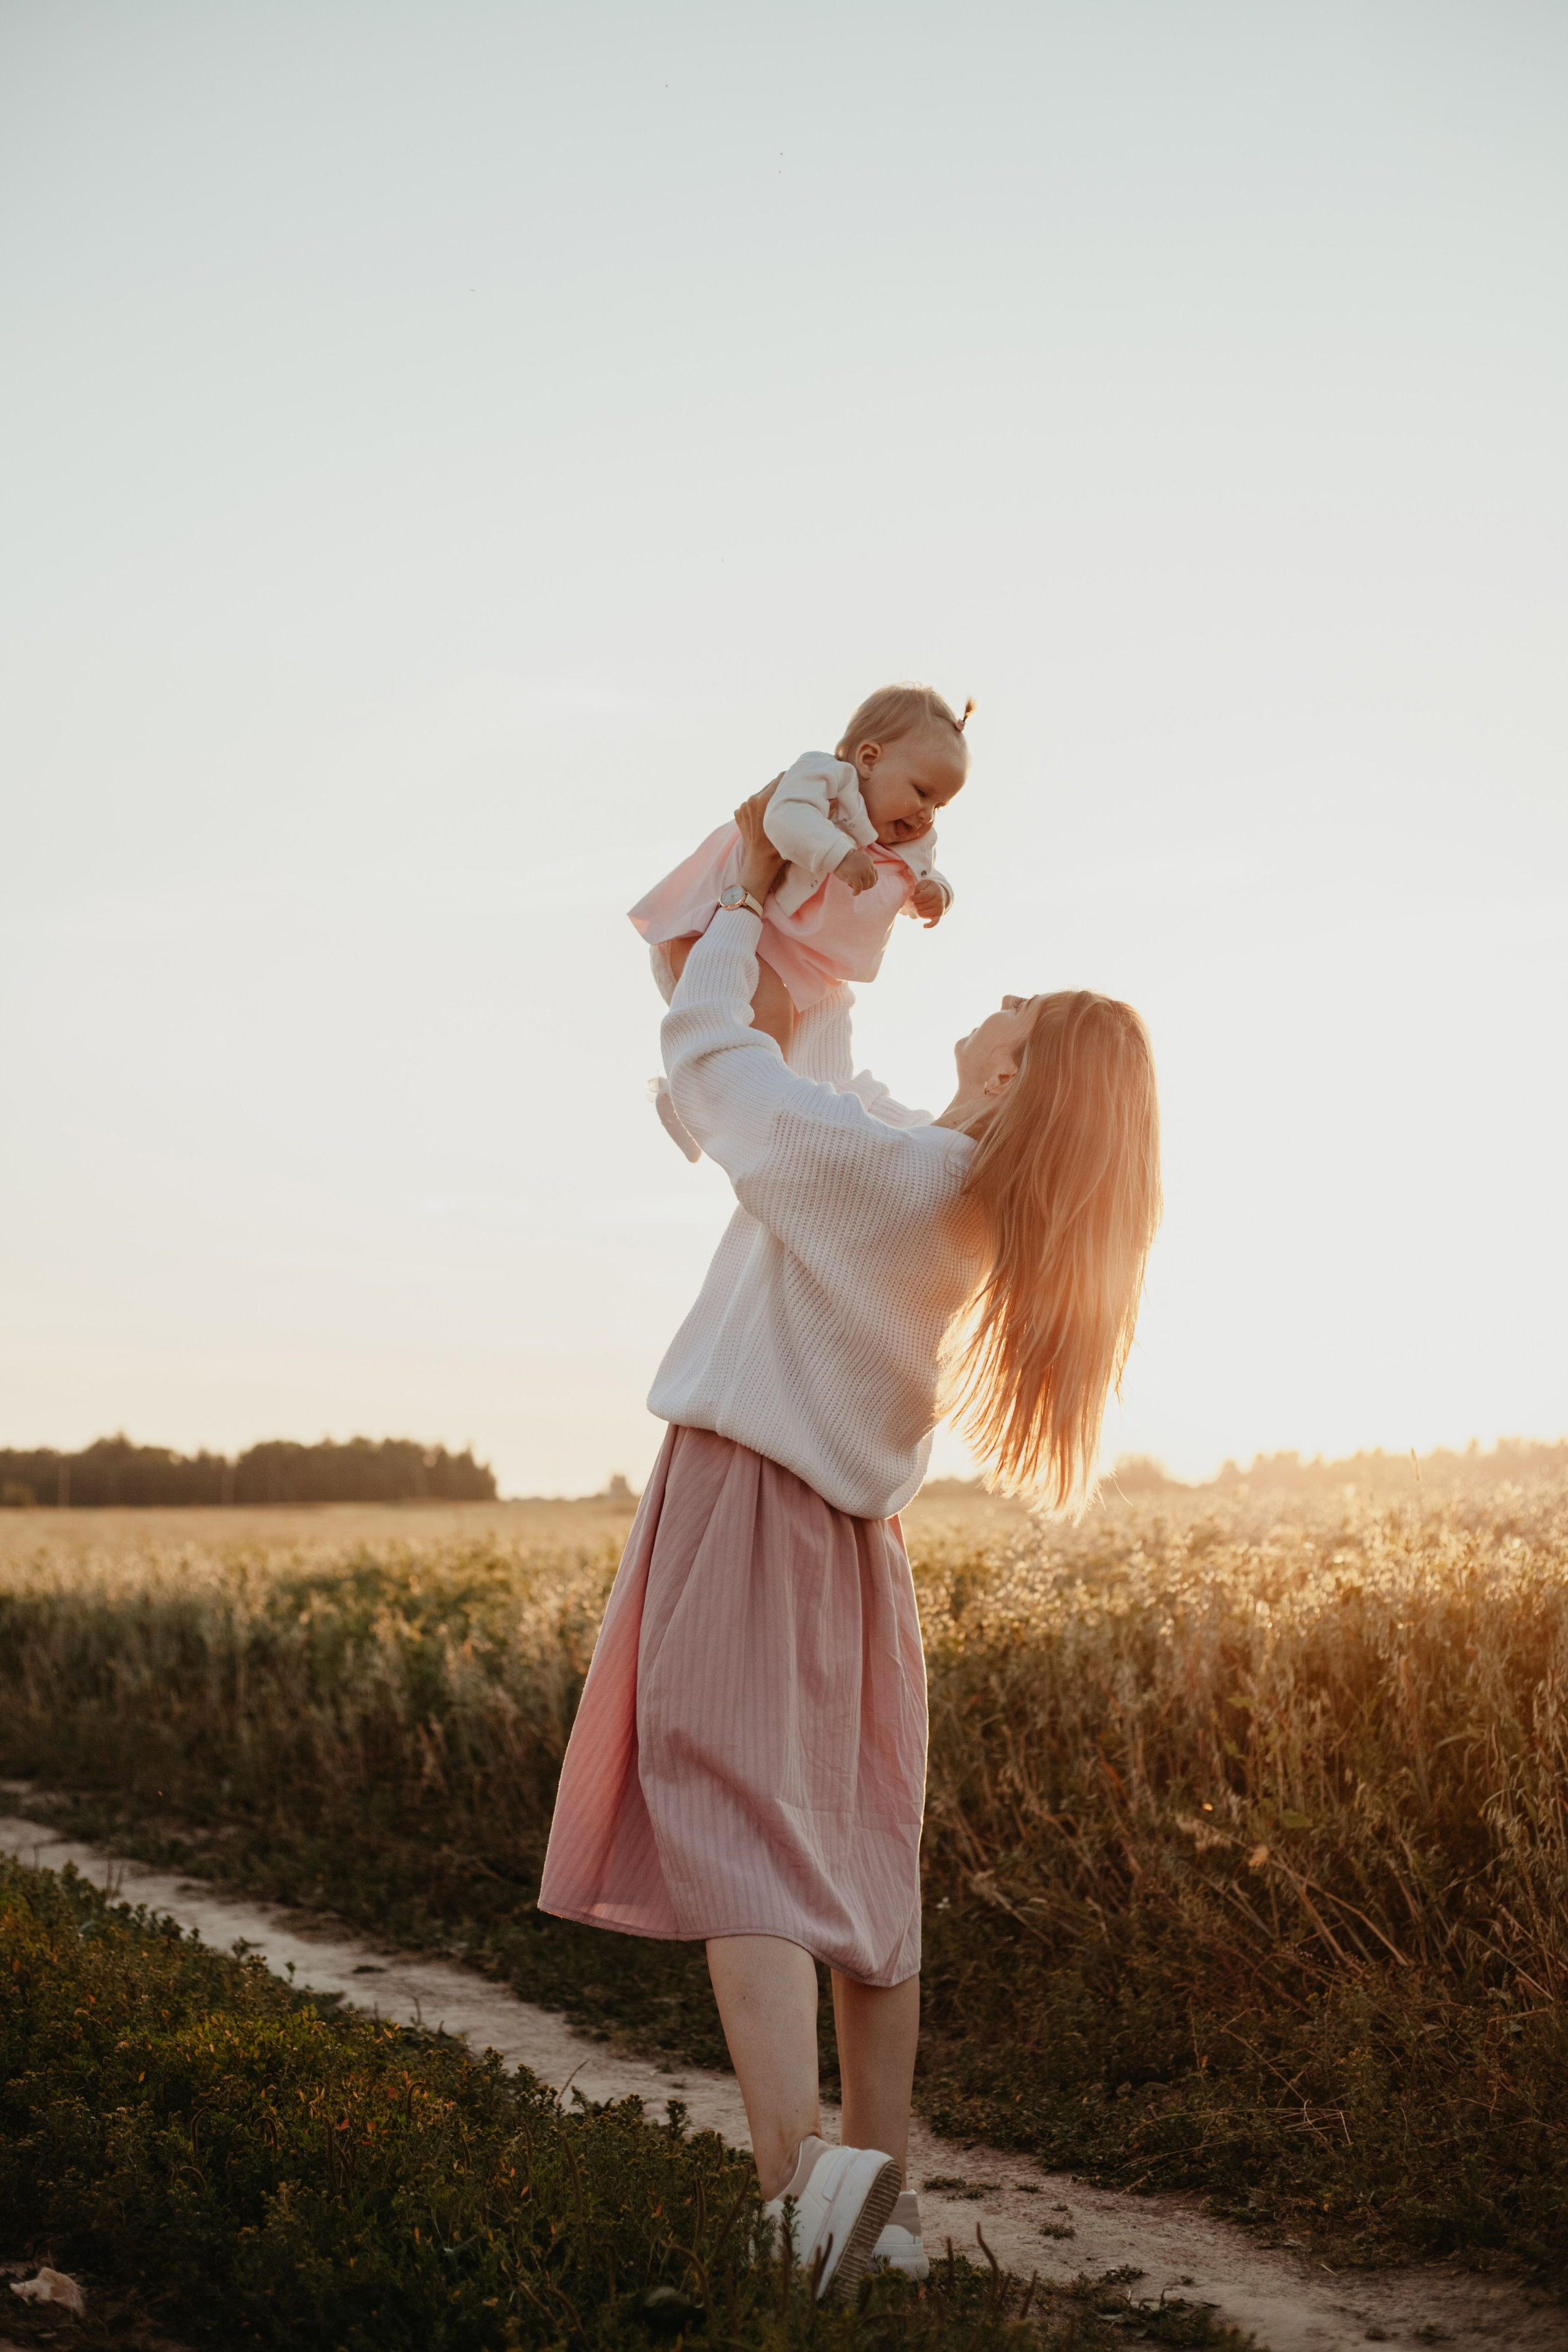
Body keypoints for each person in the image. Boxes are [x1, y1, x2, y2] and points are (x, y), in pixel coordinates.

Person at [540, 786, 1162, 2301]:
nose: (1001, 994)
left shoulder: (889, 1176)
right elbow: (802, 1072)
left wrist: (748, 902)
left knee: (731, 1827)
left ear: (1022, 1069)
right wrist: (836, 883)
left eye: (1027, 1005)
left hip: (744, 1501)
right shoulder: (923, 1171)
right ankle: (880, 2201)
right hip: (849, 1548)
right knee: (865, 1868)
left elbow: (721, 1072)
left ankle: (789, 2189)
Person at [628, 682, 971, 1157]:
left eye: (940, 806)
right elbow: (782, 820)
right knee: (769, 1027)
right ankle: (693, 1104)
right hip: (721, 928)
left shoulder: (909, 843)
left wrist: (938, 895)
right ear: (869, 759)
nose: (926, 815)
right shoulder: (825, 778)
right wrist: (838, 854)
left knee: (803, 1070)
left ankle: (700, 1106)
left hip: (796, 961)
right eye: (921, 792)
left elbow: (920, 878)